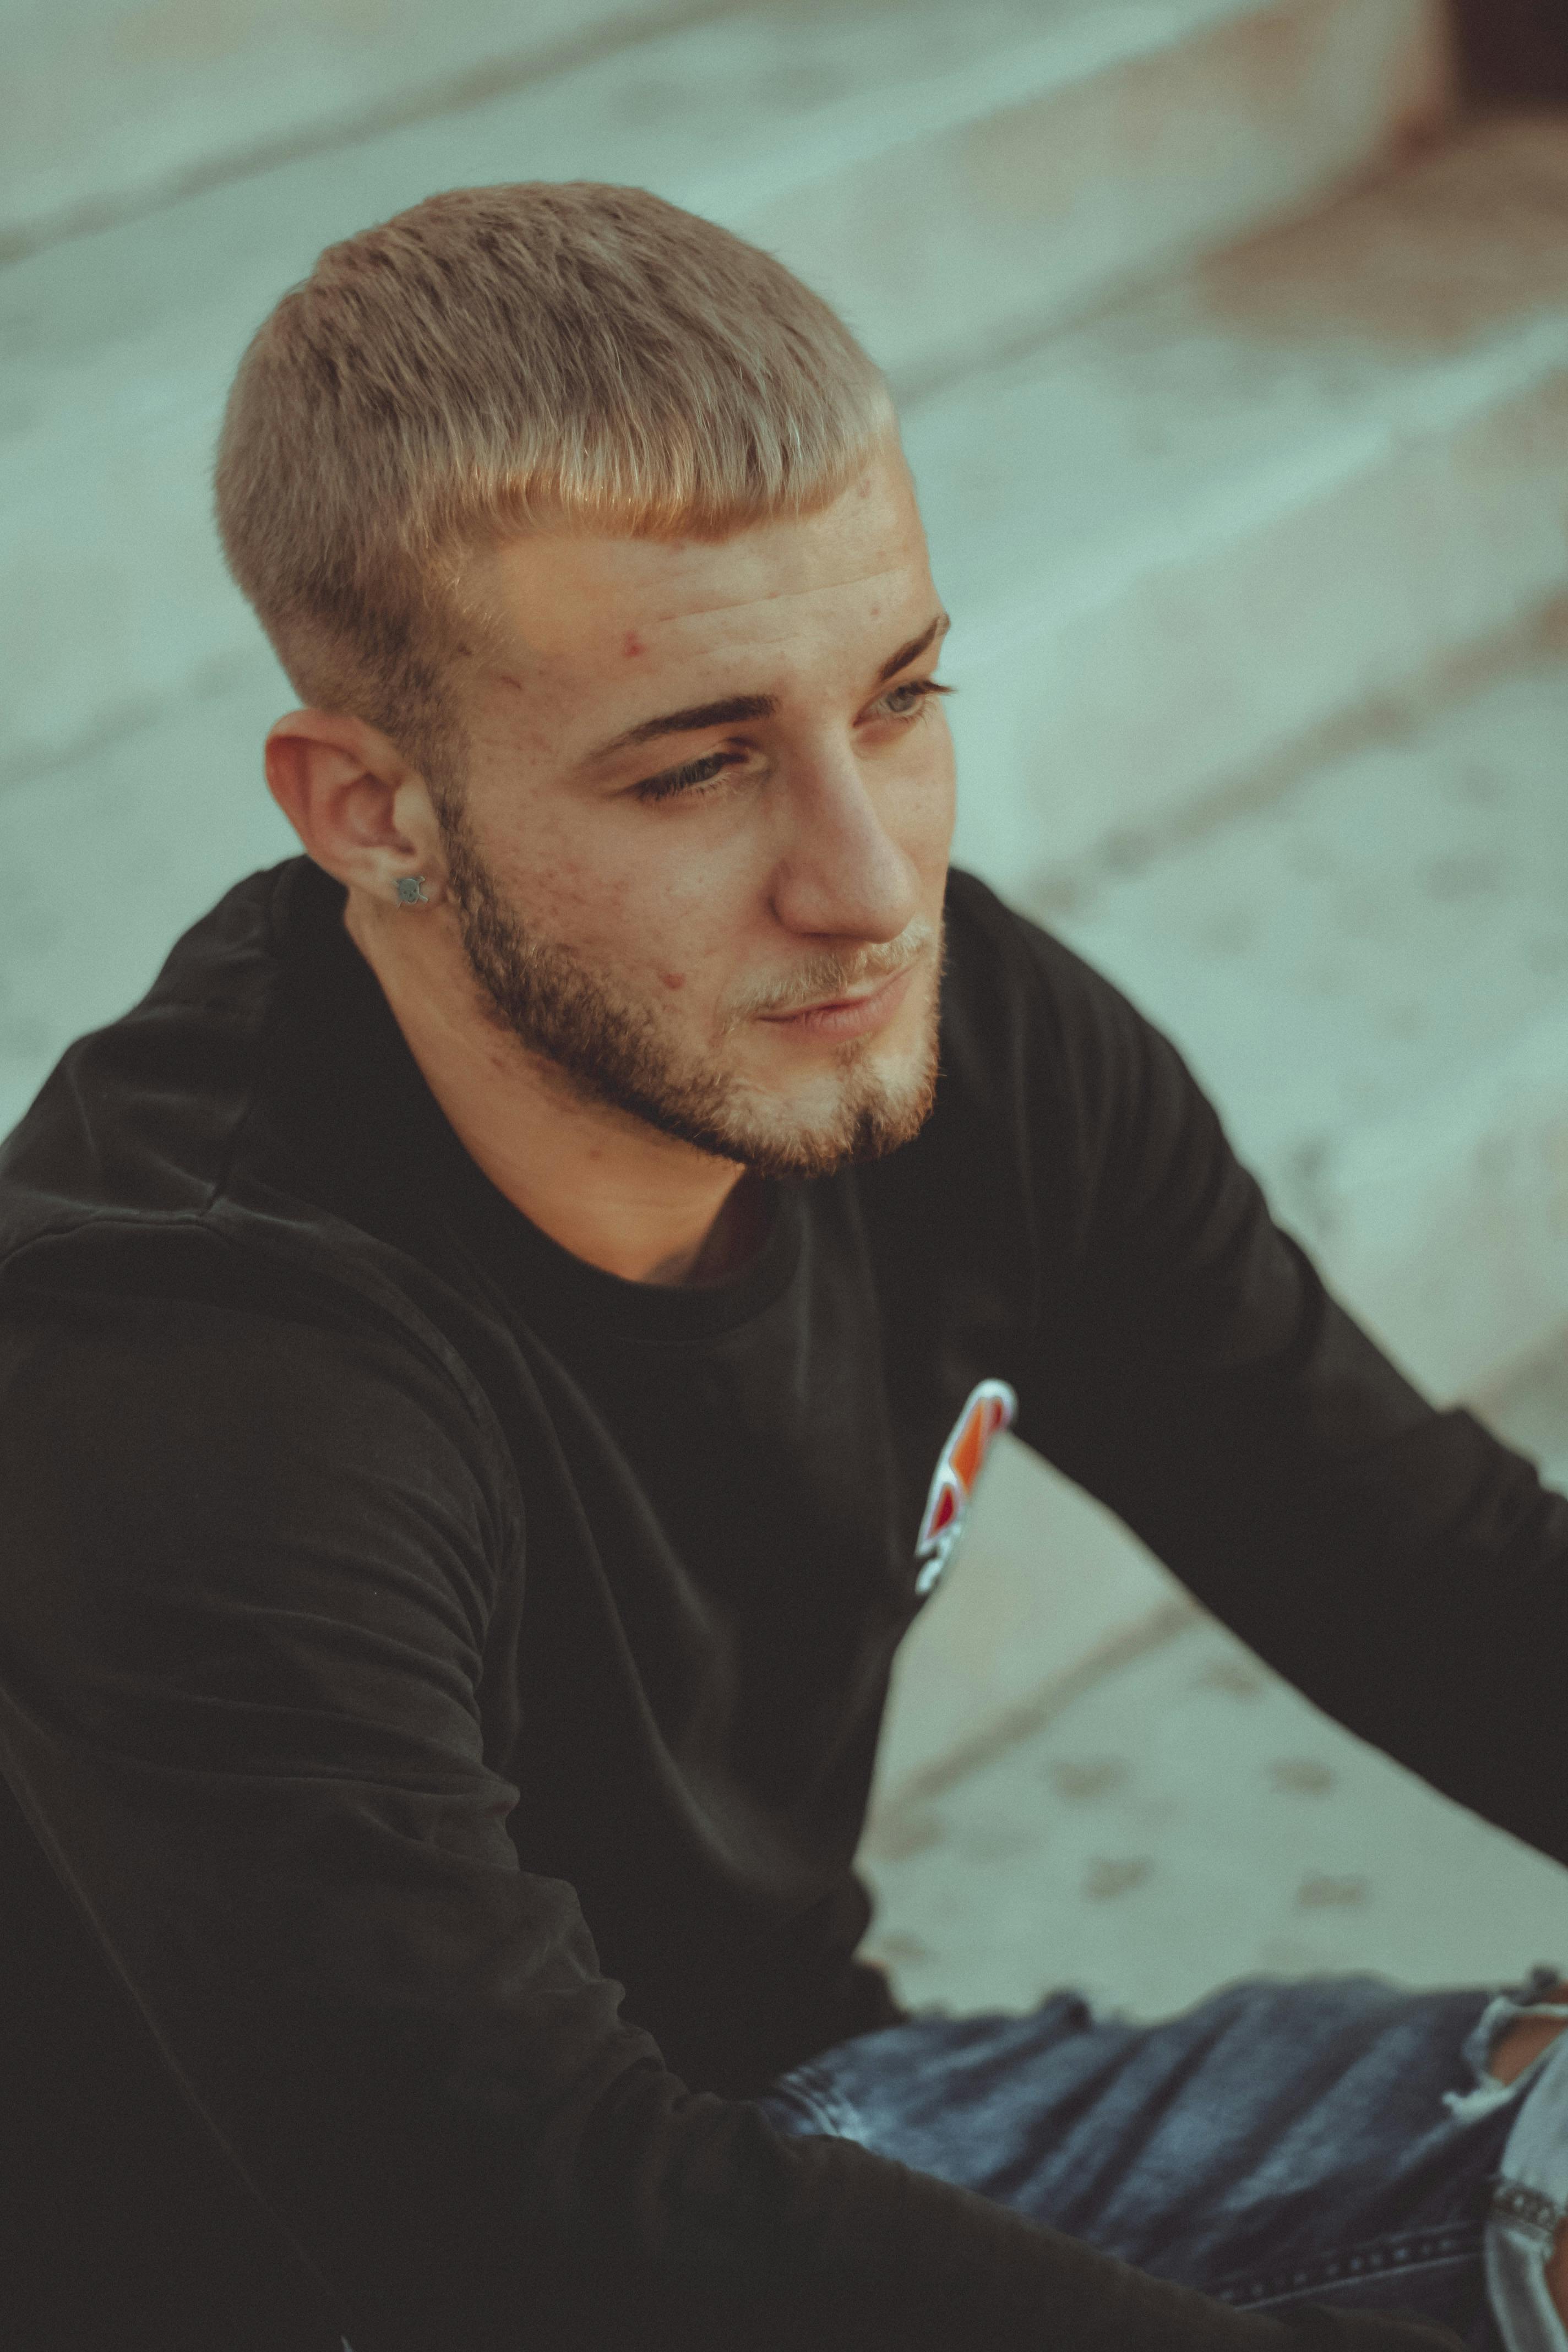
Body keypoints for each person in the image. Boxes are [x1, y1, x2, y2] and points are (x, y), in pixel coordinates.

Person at [1, 180, 1565, 2352]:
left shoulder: (953, 1038)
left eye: (900, 700)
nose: (866, 881)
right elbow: (525, 2224)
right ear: (372, 811)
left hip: (789, 2138)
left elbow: (1427, 1565)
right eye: (698, 766)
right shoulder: (194, 1356)